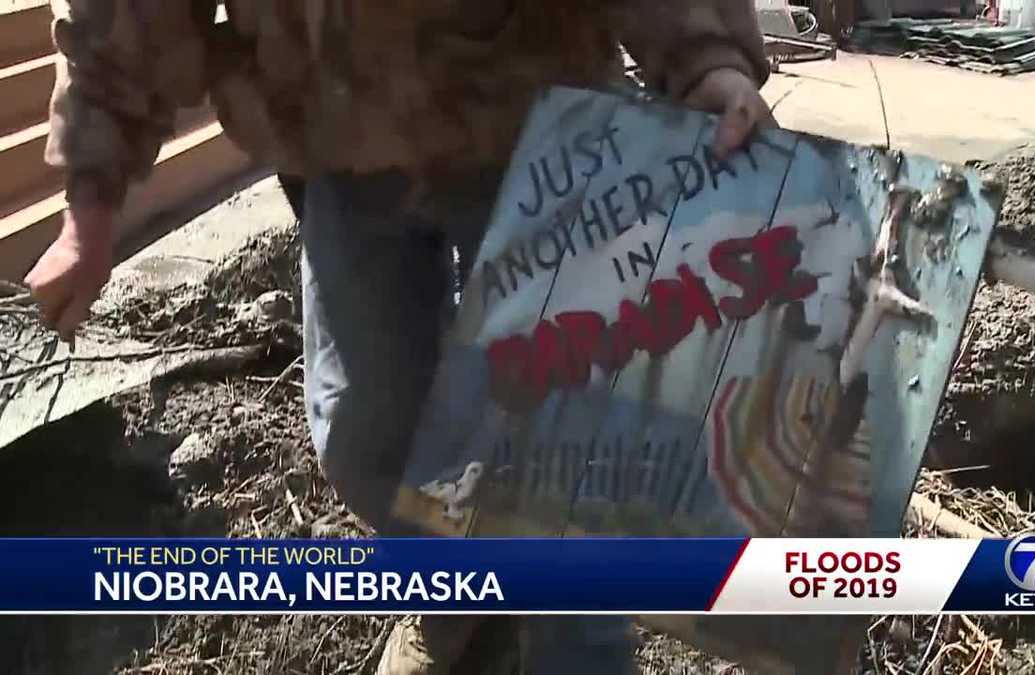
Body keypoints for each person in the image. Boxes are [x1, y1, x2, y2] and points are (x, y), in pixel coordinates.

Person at [27, 1, 775, 672]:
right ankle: (465, 604)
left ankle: (573, 644)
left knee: (560, 455)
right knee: (367, 435)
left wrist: (706, 57)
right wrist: (92, 197)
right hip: (342, 138)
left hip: (537, 108)